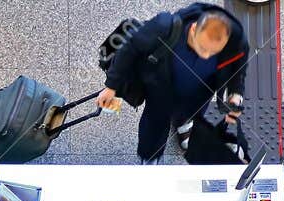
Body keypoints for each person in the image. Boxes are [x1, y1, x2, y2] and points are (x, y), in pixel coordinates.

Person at [97, 4, 248, 164]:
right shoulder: (164, 26)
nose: (206, 56)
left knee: (194, 111)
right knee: (155, 124)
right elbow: (130, 48)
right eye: (203, 48)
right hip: (163, 90)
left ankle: (185, 124)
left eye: (213, 52)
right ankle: (150, 159)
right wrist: (111, 87)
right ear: (193, 29)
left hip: (200, 90)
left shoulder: (234, 41)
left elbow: (237, 68)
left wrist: (235, 95)